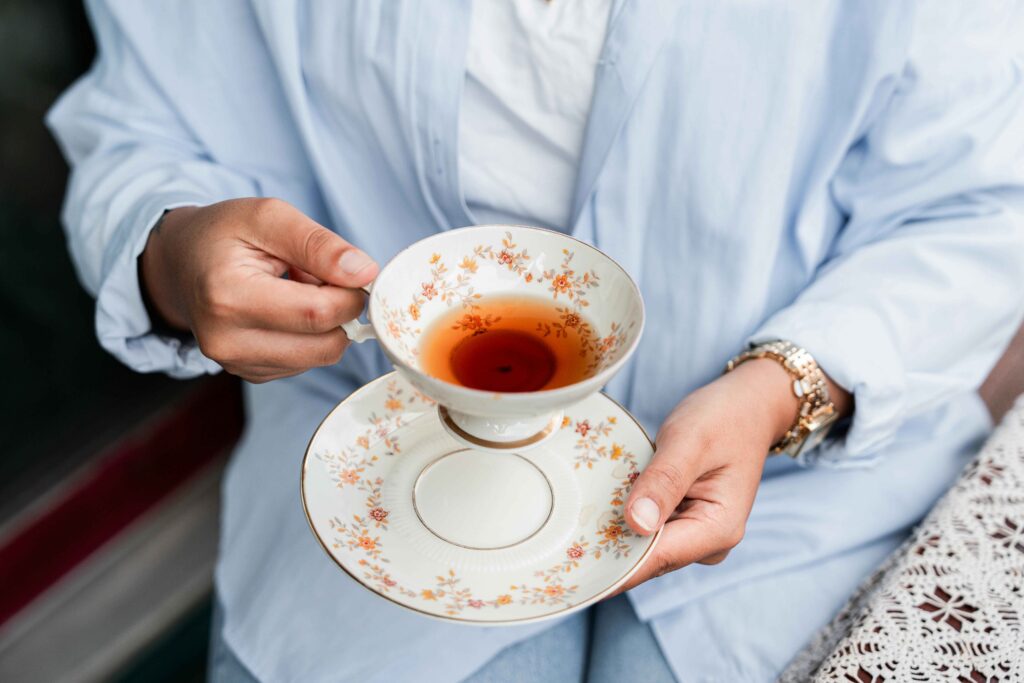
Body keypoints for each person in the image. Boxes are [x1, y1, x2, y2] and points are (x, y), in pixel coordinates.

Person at [48, 2, 1024, 681]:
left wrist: (790, 384)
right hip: (382, 461)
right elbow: (143, 120)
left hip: (797, 489)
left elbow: (983, 204)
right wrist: (168, 252)